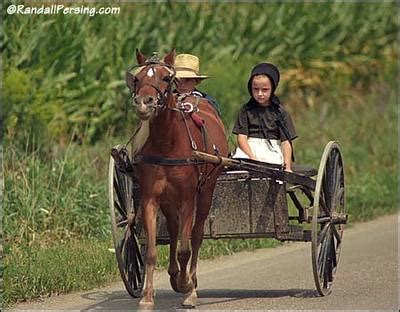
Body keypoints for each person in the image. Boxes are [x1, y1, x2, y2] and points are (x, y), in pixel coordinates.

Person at [232, 62, 297, 172]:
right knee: (237, 166)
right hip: (248, 148)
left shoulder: (280, 112)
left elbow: (286, 142)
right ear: (250, 88)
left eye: (265, 90)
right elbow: (242, 138)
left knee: (273, 169)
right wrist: (252, 158)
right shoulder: (246, 110)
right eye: (256, 89)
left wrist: (288, 167)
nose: (260, 94)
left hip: (271, 150)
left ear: (273, 89)